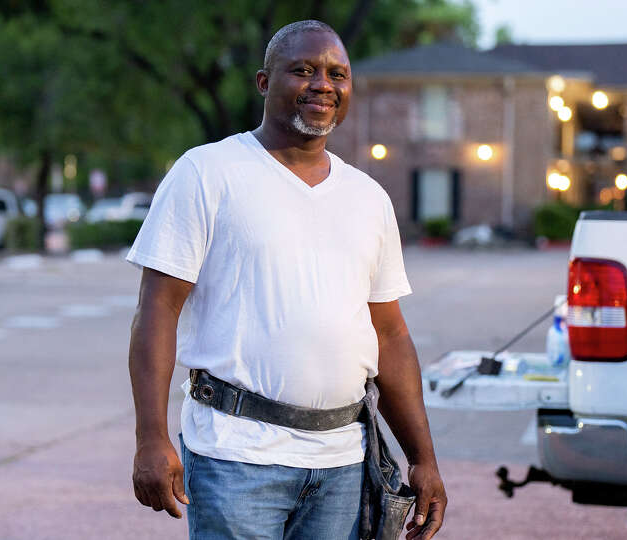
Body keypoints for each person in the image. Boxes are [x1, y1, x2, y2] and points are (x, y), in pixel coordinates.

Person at [127, 20, 447, 540]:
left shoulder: (368, 197)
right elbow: (158, 309)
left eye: (337, 73)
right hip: (236, 455)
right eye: (303, 70)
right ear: (263, 83)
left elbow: (390, 335)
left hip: (344, 462)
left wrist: (424, 459)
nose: (323, 83)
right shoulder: (207, 172)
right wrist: (150, 437)